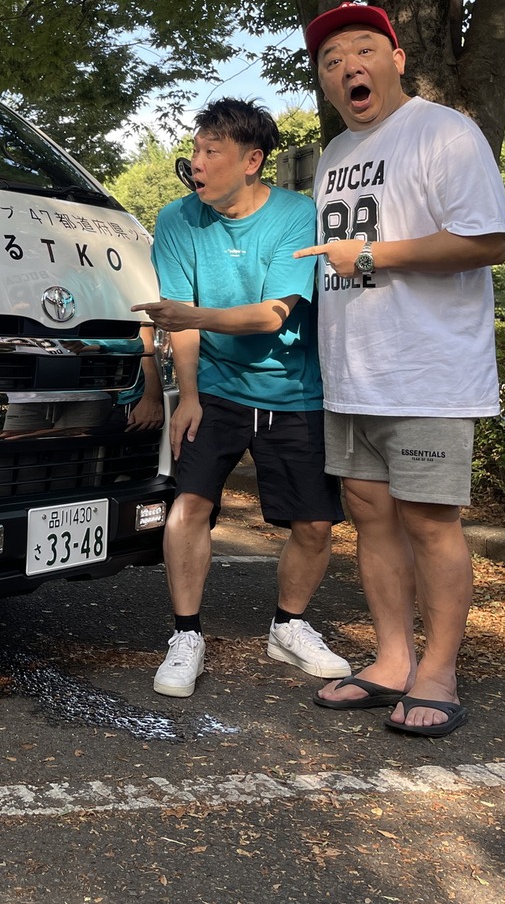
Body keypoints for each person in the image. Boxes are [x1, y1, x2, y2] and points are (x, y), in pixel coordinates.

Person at [295, 3, 505, 737]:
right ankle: (391, 660)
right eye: (331, 61)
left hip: (428, 372)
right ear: (326, 84)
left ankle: (439, 671)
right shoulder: (331, 156)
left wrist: (376, 254)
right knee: (370, 518)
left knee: (429, 521)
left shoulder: (444, 130)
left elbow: (487, 239)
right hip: (354, 373)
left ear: (396, 57)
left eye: (362, 50)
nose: (348, 66)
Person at [135, 97, 347, 698]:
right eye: (195, 151)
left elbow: (273, 315)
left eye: (211, 153)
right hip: (218, 391)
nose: (196, 164)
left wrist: (188, 314)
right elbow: (182, 324)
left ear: (252, 160)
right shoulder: (176, 219)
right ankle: (186, 636)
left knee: (313, 522)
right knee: (188, 508)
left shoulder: (295, 214)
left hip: (295, 391)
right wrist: (190, 397)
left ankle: (290, 626)